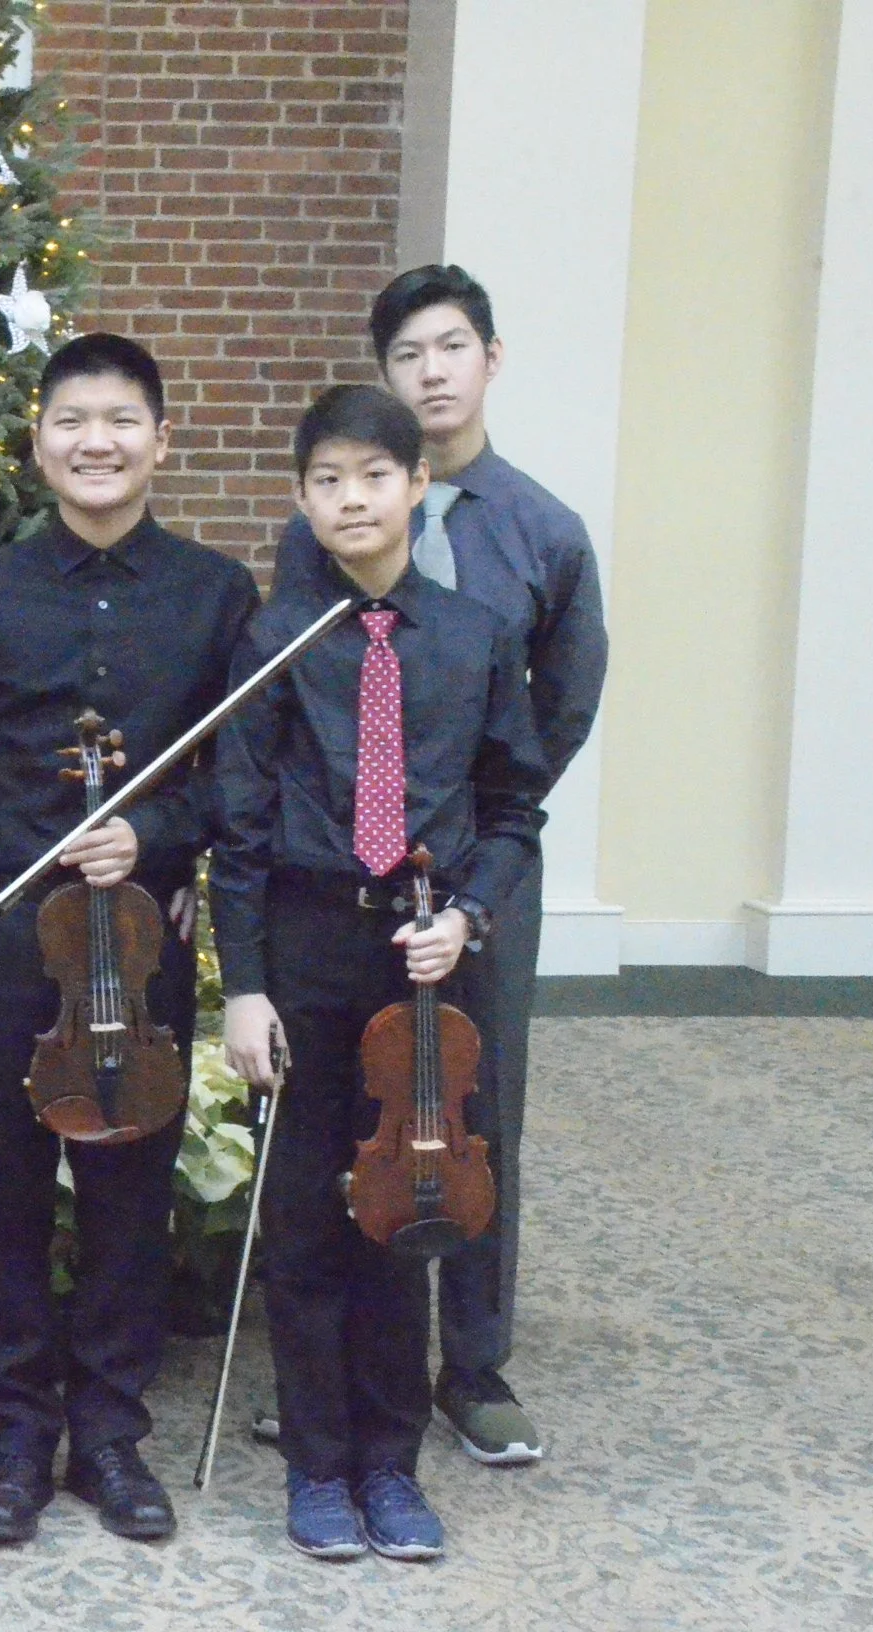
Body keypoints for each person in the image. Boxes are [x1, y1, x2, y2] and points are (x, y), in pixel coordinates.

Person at [0, 333, 259, 1547]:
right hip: (5, 926)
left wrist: (153, 827)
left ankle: (108, 1435)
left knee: (126, 1189)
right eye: (70, 421)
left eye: (119, 421)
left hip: (138, 940)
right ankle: (10, 1438)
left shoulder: (215, 594)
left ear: (161, 440)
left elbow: (236, 784)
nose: (94, 442)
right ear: (37, 442)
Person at [266, 265, 607, 1464]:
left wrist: (471, 843)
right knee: (348, 1112)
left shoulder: (543, 530)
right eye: (406, 353)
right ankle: (331, 1370)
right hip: (339, 883)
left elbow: (559, 709)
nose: (431, 372)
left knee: (470, 1102)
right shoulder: (321, 527)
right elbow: (300, 690)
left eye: (450, 347)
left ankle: (471, 1363)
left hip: (476, 869)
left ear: (489, 359)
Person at [212, 383, 549, 1562]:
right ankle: (316, 1465)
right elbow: (237, 829)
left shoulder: (473, 637)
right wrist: (243, 985)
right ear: (300, 499)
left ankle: (390, 1466)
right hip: (307, 945)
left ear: (417, 485)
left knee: (407, 1211)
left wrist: (468, 914)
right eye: (325, 480)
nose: (350, 499)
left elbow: (512, 810)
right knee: (308, 1212)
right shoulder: (274, 640)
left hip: (425, 958)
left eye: (372, 476)